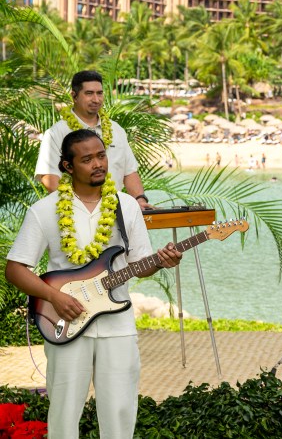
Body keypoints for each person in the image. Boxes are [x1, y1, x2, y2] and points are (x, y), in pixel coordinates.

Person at [6, 130, 182, 438]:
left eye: (101, 155)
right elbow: (15, 269)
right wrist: (54, 297)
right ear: (68, 166)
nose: (98, 164)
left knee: (120, 410)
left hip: (118, 326)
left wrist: (161, 260)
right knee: (64, 411)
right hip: (64, 321)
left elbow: (141, 264)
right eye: (87, 159)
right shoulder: (45, 210)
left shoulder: (126, 206)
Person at [35, 71, 152, 211]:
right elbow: (49, 176)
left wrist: (139, 199)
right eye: (89, 93)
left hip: (115, 211)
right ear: (74, 96)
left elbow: (129, 172)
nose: (96, 99)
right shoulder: (56, 133)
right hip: (75, 213)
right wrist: (80, 209)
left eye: (99, 93)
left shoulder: (117, 130)